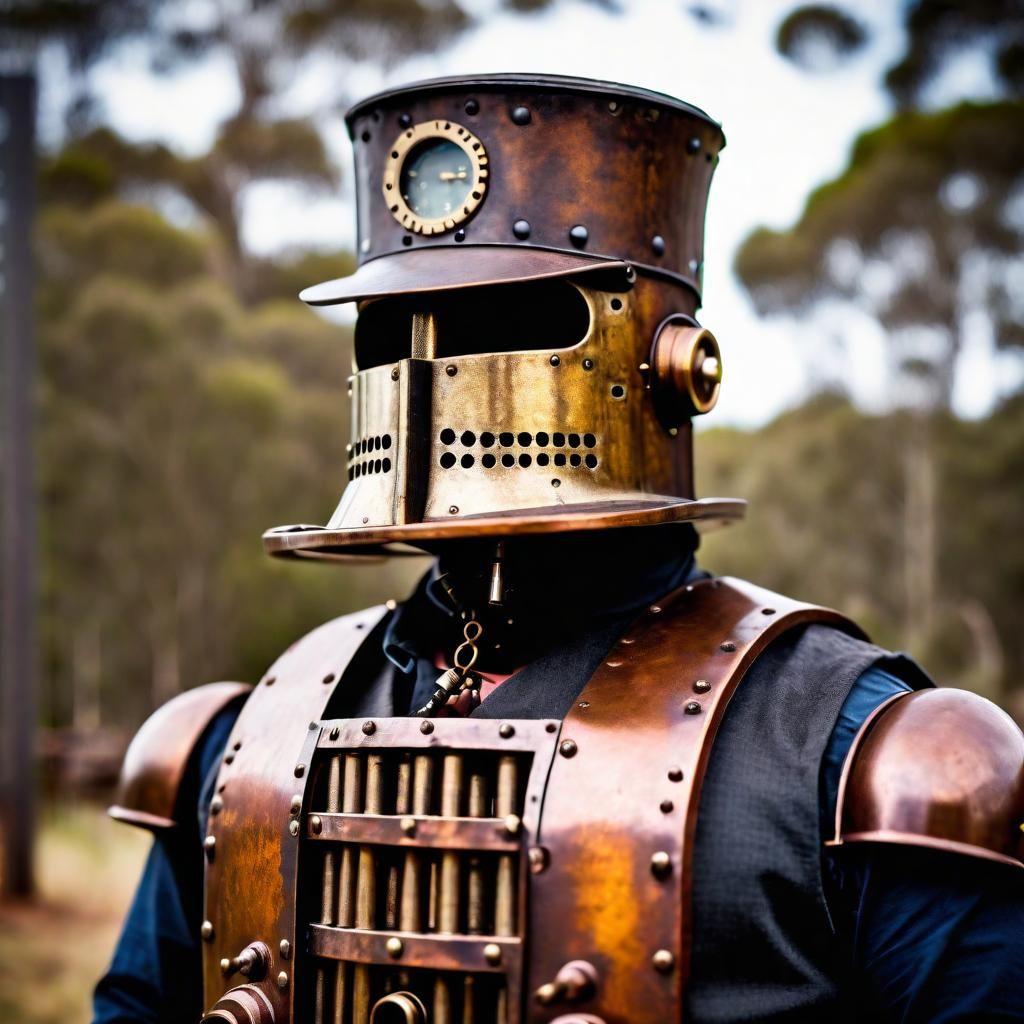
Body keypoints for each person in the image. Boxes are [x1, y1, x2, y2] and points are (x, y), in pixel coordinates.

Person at [95, 74, 1024, 1024]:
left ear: (671, 364)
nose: (430, 372)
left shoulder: (867, 754)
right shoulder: (246, 746)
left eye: (512, 320)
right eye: (390, 332)